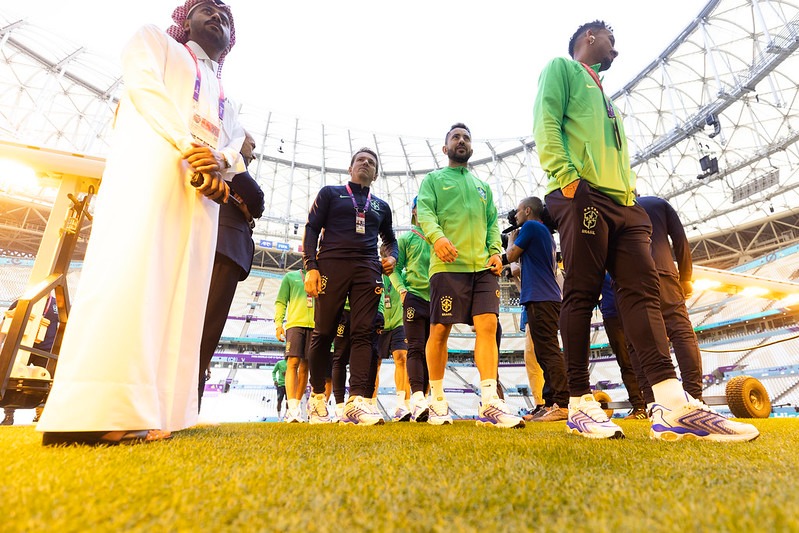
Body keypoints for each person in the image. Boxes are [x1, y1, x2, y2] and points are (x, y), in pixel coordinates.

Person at [534, 20, 757, 441]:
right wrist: (568, 180)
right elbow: (546, 123)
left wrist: (629, 195)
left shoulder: (607, 96)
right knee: (581, 291)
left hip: (625, 203)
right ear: (589, 38)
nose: (616, 50)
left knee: (643, 293)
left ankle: (670, 401)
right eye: (611, 41)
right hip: (581, 193)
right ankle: (579, 402)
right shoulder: (561, 70)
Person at [37, 0, 245, 446]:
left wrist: (219, 161)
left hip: (200, 194)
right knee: (133, 276)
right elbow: (145, 88)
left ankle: (165, 408)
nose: (219, 17)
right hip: (152, 175)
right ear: (184, 19)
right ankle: (91, 414)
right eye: (208, 9)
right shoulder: (155, 41)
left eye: (227, 16)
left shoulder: (227, 94)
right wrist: (191, 146)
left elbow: (236, 145)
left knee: (182, 296)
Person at [416, 123, 524, 429]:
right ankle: (436, 399)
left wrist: (494, 250)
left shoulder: (483, 188)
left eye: (465, 138)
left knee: (488, 325)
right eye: (455, 138)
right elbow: (425, 212)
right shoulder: (434, 180)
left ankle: (490, 400)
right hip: (448, 265)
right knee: (439, 330)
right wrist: (437, 238)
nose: (461, 141)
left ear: (471, 149)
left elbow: (492, 223)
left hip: (483, 268)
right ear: (445, 147)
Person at [302, 148, 398, 425]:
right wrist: (311, 266)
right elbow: (311, 229)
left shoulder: (381, 206)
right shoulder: (330, 193)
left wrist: (391, 256)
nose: (366, 164)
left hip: (368, 268)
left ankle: (355, 402)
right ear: (350, 167)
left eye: (371, 162)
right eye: (360, 160)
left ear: (376, 173)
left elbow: (390, 239)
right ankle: (318, 398)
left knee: (364, 332)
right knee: (323, 332)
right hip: (331, 264)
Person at [198, 131, 264, 410]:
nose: (254, 150)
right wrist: (231, 158)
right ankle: (187, 401)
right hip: (219, 246)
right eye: (250, 143)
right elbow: (257, 201)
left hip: (216, 245)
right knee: (206, 328)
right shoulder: (229, 164)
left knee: (205, 329)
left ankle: (188, 400)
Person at [633, 195, 704, 404]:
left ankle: (651, 401)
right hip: (664, 271)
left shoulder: (615, 208)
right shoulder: (658, 203)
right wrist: (686, 277)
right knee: (680, 331)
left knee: (638, 341)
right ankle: (694, 396)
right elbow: (680, 239)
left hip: (631, 279)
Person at [504, 196, 569, 422]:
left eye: (519, 211)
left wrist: (511, 240)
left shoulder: (530, 226)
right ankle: (549, 402)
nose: (517, 216)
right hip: (544, 296)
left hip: (542, 297)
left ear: (528, 211)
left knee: (548, 351)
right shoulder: (544, 233)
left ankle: (561, 402)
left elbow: (511, 256)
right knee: (543, 352)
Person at [389, 197, 432, 422]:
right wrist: (402, 291)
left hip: (438, 300)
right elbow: (393, 268)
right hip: (414, 298)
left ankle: (426, 400)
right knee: (415, 348)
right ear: (414, 212)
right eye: (422, 207)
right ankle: (416, 397)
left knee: (433, 351)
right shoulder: (406, 239)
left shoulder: (439, 239)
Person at [1, 293, 59, 426]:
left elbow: (60, 327)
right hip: (22, 345)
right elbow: (6, 321)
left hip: (45, 350)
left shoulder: (56, 304)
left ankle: (41, 415)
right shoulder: (22, 301)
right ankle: (9, 414)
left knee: (45, 380)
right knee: (13, 378)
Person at [597, 273, 647, 419]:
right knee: (626, 362)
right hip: (612, 317)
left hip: (631, 313)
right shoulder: (598, 265)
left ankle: (650, 403)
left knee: (641, 359)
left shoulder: (623, 260)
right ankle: (639, 406)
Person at [274, 269, 315, 423]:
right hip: (295, 325)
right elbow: (281, 301)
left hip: (315, 326)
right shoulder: (290, 277)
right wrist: (279, 324)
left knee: (305, 367)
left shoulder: (321, 276)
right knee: (292, 362)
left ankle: (296, 408)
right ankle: (291, 410)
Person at [377, 268, 411, 422]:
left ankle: (401, 404)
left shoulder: (401, 276)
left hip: (398, 323)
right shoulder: (375, 276)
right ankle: (371, 402)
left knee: (402, 357)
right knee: (374, 363)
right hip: (379, 323)